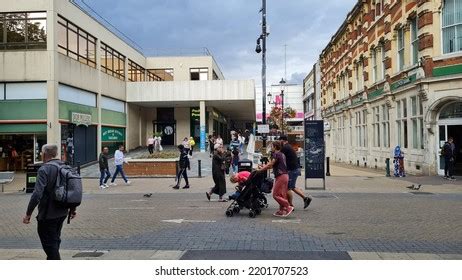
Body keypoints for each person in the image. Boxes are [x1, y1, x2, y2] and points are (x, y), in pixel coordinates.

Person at [23, 144, 77, 260]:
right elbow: (73, 189)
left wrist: (28, 214)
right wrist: (72, 209)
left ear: (44, 154)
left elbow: (37, 194)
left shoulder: (45, 169)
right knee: (55, 240)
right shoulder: (66, 166)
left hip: (48, 214)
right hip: (62, 212)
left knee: (50, 245)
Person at [257, 141, 293, 217]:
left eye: (272, 146)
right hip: (285, 175)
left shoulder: (276, 154)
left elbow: (270, 164)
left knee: (275, 195)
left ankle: (288, 206)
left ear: (275, 147)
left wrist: (260, 169)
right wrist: (263, 167)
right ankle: (281, 211)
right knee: (281, 194)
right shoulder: (282, 154)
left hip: (281, 176)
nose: (271, 148)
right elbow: (272, 165)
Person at [279, 135, 312, 209]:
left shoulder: (285, 148)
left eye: (279, 141)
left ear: (283, 140)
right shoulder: (288, 146)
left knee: (288, 188)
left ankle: (290, 205)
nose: (279, 142)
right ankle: (305, 198)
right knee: (292, 187)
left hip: (292, 170)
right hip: (295, 169)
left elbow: (279, 157)